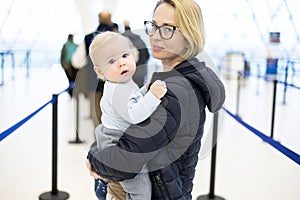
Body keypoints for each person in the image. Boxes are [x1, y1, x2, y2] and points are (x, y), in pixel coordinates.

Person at [87, 0, 226, 199]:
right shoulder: (171, 81)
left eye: (167, 29)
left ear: (188, 36)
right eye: (153, 26)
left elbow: (125, 159)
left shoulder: (177, 91)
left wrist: (94, 159)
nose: (155, 36)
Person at [89, 31, 167, 200]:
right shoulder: (116, 89)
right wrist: (153, 96)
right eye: (111, 61)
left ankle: (107, 190)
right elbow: (134, 115)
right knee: (141, 190)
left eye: (124, 55)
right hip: (116, 144)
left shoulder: (122, 83)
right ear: (100, 72)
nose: (121, 63)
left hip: (115, 139)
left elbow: (132, 100)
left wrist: (144, 91)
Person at [72, 10, 114, 128]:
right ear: (110, 20)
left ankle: (101, 143)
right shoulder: (118, 38)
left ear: (98, 20)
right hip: (116, 85)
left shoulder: (88, 38)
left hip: (94, 83)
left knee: (97, 116)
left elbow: (76, 62)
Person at [122, 20, 150, 87]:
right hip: (141, 73)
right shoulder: (138, 38)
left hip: (128, 76)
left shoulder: (121, 39)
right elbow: (147, 55)